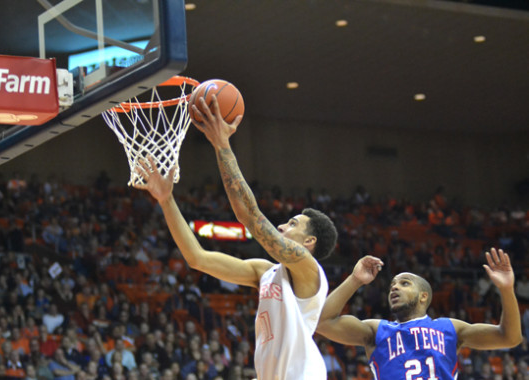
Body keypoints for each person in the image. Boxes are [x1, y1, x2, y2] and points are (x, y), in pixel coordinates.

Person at [133, 95, 338, 379]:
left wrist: (222, 144)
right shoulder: (265, 272)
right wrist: (166, 200)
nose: (281, 226)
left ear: (309, 242)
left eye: (292, 224)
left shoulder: (307, 267)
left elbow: (251, 218)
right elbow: (197, 258)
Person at [317, 248, 522, 380]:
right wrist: (355, 279)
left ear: (423, 296)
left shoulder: (450, 328)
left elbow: (510, 337)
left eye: (404, 283)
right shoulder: (377, 330)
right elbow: (324, 322)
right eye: (392, 286)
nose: (394, 288)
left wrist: (506, 290)